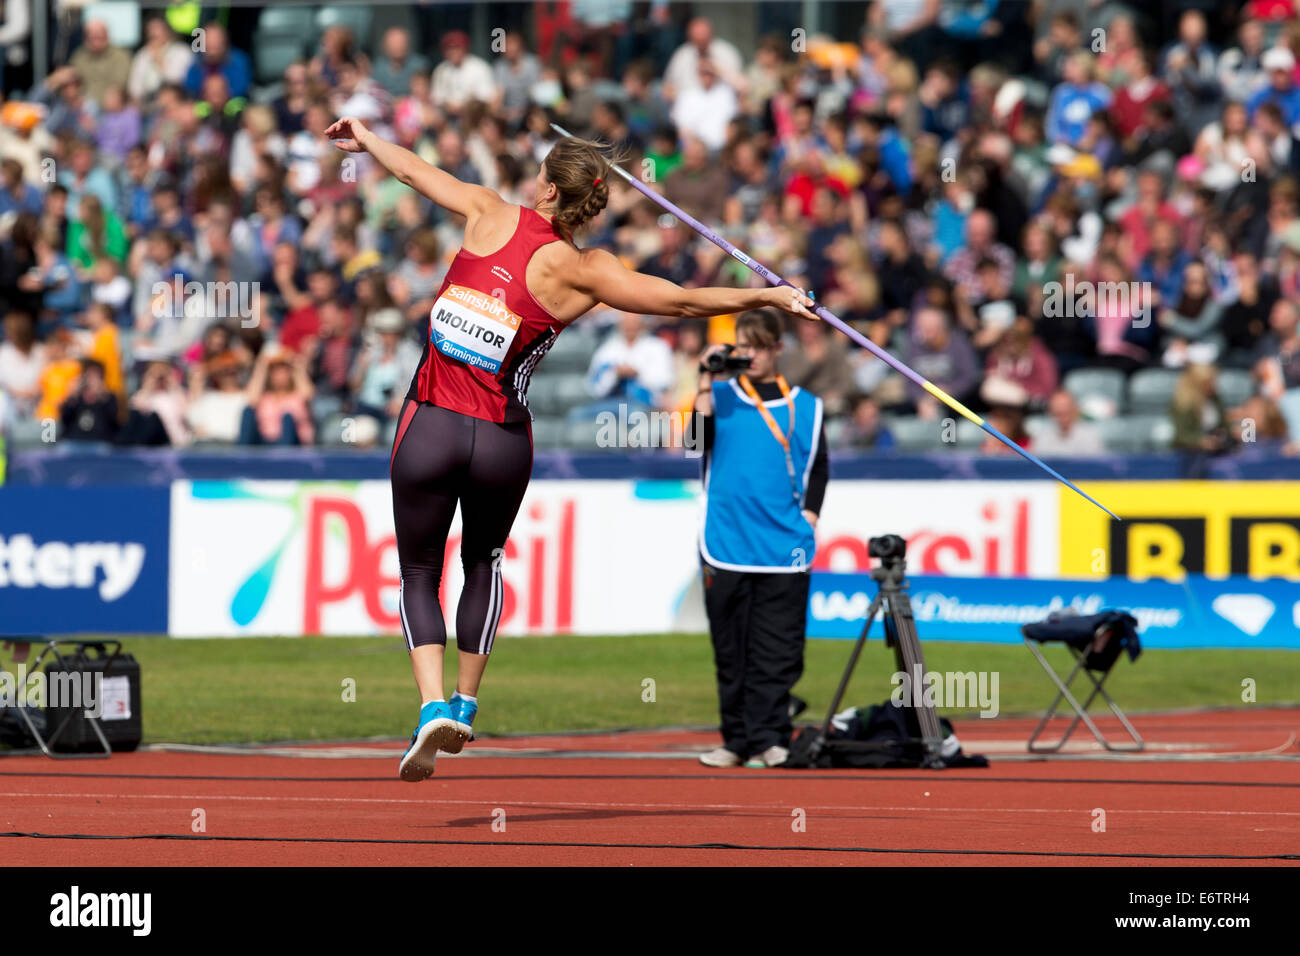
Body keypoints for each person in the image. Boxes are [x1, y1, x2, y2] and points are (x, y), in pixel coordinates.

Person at [324, 116, 814, 782]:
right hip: (501, 439)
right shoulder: (589, 270)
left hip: (431, 425)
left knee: (418, 571)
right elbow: (679, 302)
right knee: (484, 560)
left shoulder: (487, 210)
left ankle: (431, 704)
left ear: (547, 188)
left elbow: (411, 169)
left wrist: (365, 138)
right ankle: (466, 702)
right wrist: (768, 293)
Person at [693, 309, 827, 769]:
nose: (748, 355)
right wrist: (703, 382)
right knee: (731, 649)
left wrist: (810, 514)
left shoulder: (807, 404)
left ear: (777, 348)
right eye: (742, 345)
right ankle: (736, 739)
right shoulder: (723, 396)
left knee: (778, 649)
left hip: (783, 545)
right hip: (726, 540)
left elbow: (817, 466)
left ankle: (770, 736)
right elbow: (694, 444)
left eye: (757, 346)